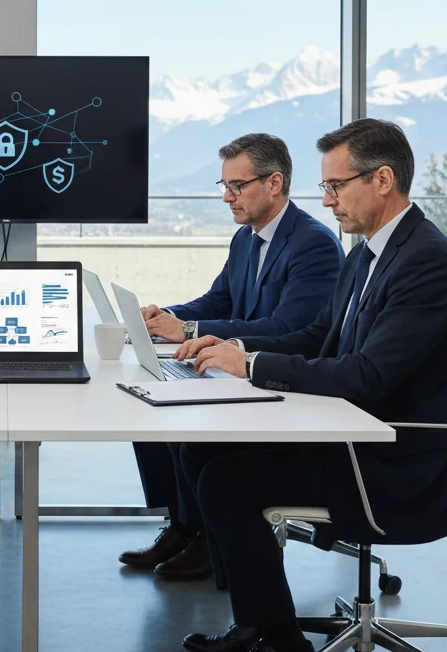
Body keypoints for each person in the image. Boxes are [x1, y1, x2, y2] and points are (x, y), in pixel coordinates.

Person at [173, 118, 447, 652]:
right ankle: (256, 623)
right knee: (201, 450)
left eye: (337, 185)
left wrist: (252, 366)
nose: (328, 199)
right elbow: (318, 336)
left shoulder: (426, 262)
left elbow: (368, 377)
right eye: (326, 187)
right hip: (355, 436)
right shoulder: (368, 254)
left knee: (226, 484)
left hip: (395, 459)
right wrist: (235, 349)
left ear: (382, 180)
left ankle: (285, 648)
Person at [119, 134, 343, 580]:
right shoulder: (246, 238)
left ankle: (209, 538)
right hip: (235, 373)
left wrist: (188, 332)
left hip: (280, 383)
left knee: (184, 424)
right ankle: (182, 527)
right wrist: (167, 317)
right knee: (149, 409)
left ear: (274, 183)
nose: (227, 197)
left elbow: (288, 330)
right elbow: (218, 300)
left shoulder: (312, 244)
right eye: (224, 185)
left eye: (237, 186)